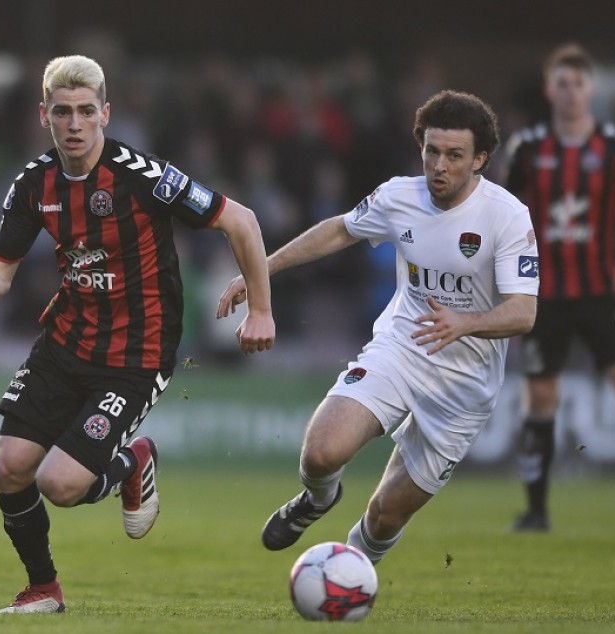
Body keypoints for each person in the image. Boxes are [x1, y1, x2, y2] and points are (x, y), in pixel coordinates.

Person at [0, 54, 276, 614]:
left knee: (60, 485)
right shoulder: (34, 184)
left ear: (105, 113)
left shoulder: (144, 178)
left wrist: (260, 309)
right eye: (62, 112)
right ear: (45, 116)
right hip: (67, 341)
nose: (74, 123)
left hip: (137, 354)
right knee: (10, 466)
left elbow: (242, 221)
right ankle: (43, 590)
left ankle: (132, 462)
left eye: (86, 111)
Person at [217, 90, 539, 563]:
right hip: (401, 349)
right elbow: (341, 229)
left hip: (464, 387)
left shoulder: (507, 218)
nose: (439, 166)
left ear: (481, 160)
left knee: (385, 517)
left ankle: (352, 571)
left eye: (454, 156)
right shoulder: (400, 196)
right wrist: (260, 270)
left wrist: (464, 323)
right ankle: (319, 498)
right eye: (432, 151)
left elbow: (523, 313)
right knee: (321, 454)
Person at [504, 42, 615, 533]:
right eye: (562, 83)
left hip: (601, 290)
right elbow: (504, 213)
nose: (571, 92)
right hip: (546, 295)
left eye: (579, 83)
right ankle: (536, 511)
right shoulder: (528, 149)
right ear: (548, 90)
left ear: (591, 90)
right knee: (540, 397)